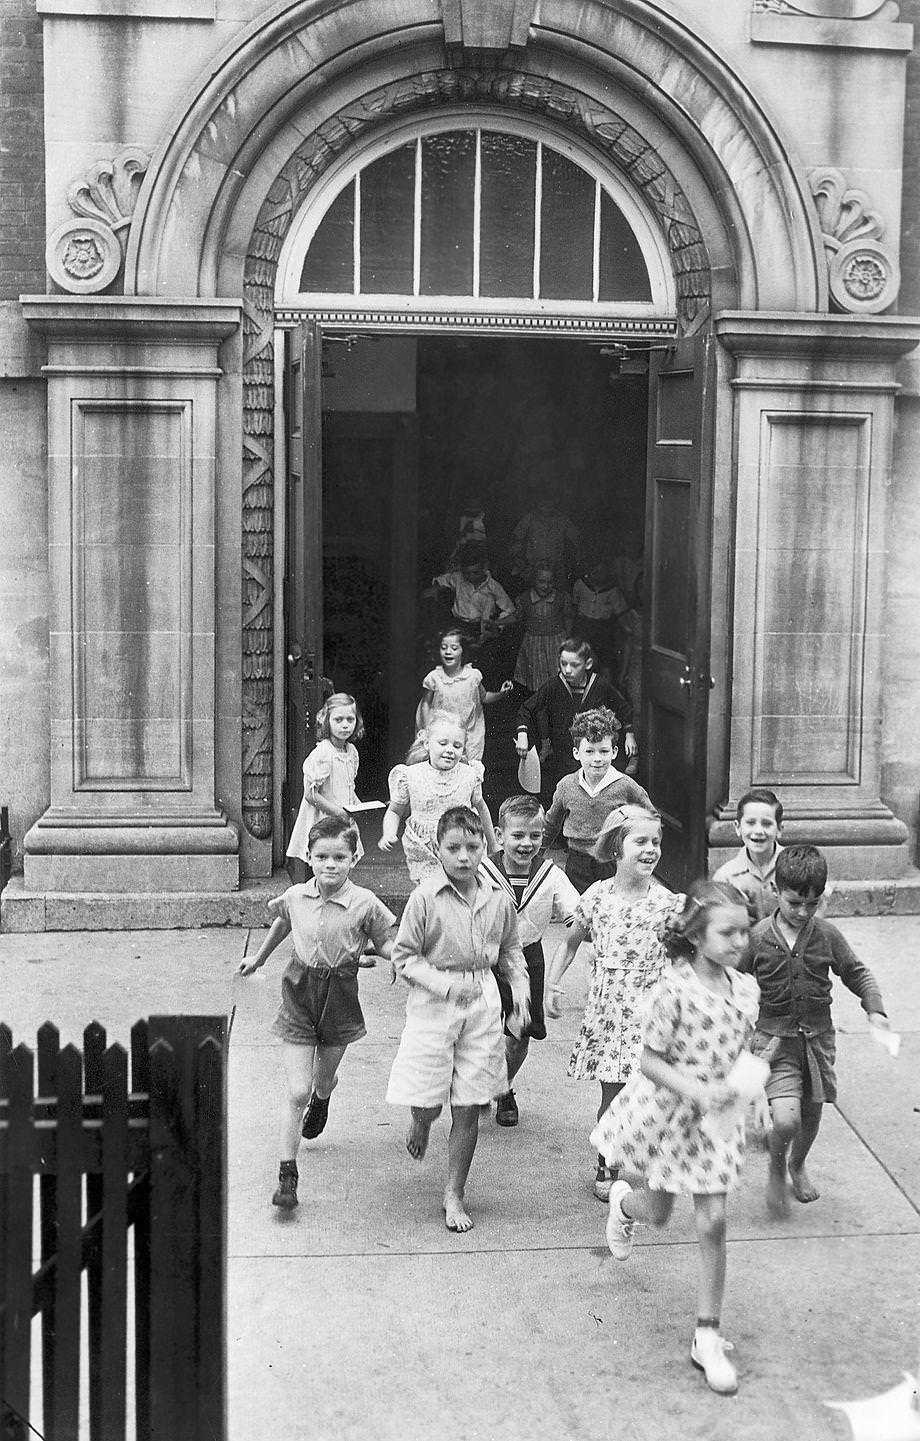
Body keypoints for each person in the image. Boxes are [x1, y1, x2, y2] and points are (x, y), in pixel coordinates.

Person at [591, 883, 760, 1397]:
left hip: (719, 1122)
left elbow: (745, 1050)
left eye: (744, 931)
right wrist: (695, 1090)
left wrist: (757, 1094)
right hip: (672, 1115)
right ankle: (623, 1204)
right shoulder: (674, 990)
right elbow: (648, 1060)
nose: (738, 941)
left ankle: (707, 1333)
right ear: (696, 934)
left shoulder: (745, 989)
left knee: (714, 1220)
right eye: (726, 932)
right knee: (659, 1212)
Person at [238, 816, 397, 1213]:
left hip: (341, 993)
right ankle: (287, 1176)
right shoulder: (295, 896)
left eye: (339, 857)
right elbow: (283, 923)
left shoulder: (366, 903)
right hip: (299, 991)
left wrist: (403, 959)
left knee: (321, 1080)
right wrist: (258, 958)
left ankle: (324, 1096)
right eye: (322, 856)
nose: (330, 864)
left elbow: (386, 941)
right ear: (309, 857)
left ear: (354, 858)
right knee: (296, 1090)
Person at [386, 806, 530, 1233]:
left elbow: (511, 951)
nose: (464, 856)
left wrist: (519, 992)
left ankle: (454, 1192)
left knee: (469, 1105)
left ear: (486, 846)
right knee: (429, 1102)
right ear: (438, 850)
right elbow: (404, 957)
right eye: (454, 848)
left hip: (482, 999)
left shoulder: (498, 898)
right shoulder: (425, 898)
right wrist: (446, 986)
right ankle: (421, 1119)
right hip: (435, 1000)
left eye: (472, 846)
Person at [738, 844, 891, 1217]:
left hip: (818, 1041)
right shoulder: (758, 937)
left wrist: (876, 1010)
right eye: (795, 903)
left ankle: (797, 1165)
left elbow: (857, 972)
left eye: (813, 903)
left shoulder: (826, 934)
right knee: (786, 1117)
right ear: (775, 889)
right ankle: (776, 1168)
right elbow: (735, 982)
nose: (804, 912)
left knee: (811, 1113)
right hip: (773, 1042)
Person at [545, 805, 682, 1200]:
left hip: (653, 1014)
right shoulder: (597, 897)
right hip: (610, 1013)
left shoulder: (668, 903)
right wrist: (553, 983)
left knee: (655, 1091)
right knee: (614, 1093)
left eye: (656, 842)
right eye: (640, 841)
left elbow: (686, 957)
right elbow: (569, 944)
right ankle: (607, 1160)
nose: (651, 849)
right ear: (615, 848)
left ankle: (653, 1154)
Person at [479, 793, 580, 1127]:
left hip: (527, 959)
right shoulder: (481, 870)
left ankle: (503, 1087)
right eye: (518, 835)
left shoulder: (550, 873)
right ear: (499, 834)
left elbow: (578, 917)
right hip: (485, 959)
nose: (527, 843)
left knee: (520, 1031)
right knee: (480, 1028)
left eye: (535, 836)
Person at [379, 712, 498, 884]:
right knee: (432, 893)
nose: (450, 750)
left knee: (463, 889)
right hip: (425, 848)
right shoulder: (410, 775)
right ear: (427, 743)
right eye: (443, 743)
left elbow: (480, 807)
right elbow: (394, 811)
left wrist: (493, 843)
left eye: (457, 746)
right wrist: (388, 833)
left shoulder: (470, 774)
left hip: (461, 843)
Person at [514, 637, 636, 803]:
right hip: (563, 757)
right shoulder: (554, 685)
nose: (567, 670)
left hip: (593, 756)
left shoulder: (600, 685)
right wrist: (522, 734)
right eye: (563, 664)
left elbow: (624, 709)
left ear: (588, 664)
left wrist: (629, 734)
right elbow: (526, 709)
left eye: (574, 665)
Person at [542, 708, 651, 893]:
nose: (597, 758)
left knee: (610, 912)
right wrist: (536, 855)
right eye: (590, 751)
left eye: (604, 751)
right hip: (577, 863)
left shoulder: (626, 786)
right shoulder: (566, 786)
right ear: (577, 753)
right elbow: (551, 824)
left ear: (614, 752)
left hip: (612, 862)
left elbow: (649, 818)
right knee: (578, 911)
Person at [286, 693, 365, 876]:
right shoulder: (323, 753)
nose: (345, 725)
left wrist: (359, 806)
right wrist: (337, 812)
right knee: (325, 861)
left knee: (342, 858)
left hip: (343, 817)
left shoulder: (351, 751)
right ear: (326, 721)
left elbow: (347, 785)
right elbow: (310, 795)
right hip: (324, 817)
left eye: (350, 719)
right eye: (338, 719)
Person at [415, 627, 513, 767]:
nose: (448, 652)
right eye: (444, 648)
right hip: (442, 732)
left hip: (469, 733)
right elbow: (425, 704)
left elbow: (484, 697)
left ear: (463, 651)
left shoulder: (473, 676)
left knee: (468, 769)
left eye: (454, 648)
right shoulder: (434, 678)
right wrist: (425, 729)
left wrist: (501, 694)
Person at [713, 788, 784, 921]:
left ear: (779, 829)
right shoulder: (726, 877)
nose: (758, 831)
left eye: (767, 824)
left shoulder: (796, 865)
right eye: (750, 823)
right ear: (738, 827)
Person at [427, 541, 516, 641]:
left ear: (484, 567)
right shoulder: (458, 578)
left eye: (475, 573)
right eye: (467, 573)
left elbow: (509, 609)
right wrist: (435, 588)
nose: (471, 577)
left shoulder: (493, 587)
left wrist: (497, 624)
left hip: (479, 627)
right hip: (458, 623)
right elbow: (445, 579)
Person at [513, 561, 575, 693]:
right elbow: (516, 617)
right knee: (537, 679)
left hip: (556, 642)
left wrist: (568, 638)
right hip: (534, 644)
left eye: (550, 582)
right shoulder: (524, 598)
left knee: (558, 678)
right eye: (541, 581)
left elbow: (568, 617)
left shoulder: (561, 598)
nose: (546, 586)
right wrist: (497, 622)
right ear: (533, 580)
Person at [508, 483, 580, 584]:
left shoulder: (562, 519)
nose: (546, 509)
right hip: (534, 564)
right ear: (537, 504)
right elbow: (517, 536)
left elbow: (575, 538)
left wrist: (578, 554)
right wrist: (517, 557)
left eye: (549, 506)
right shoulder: (530, 518)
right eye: (543, 505)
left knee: (558, 589)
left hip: (556, 565)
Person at [572, 557, 628, 675]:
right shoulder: (580, 585)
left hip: (603, 630)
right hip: (583, 628)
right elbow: (574, 606)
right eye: (594, 572)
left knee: (606, 662)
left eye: (601, 572)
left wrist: (627, 629)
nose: (597, 576)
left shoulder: (613, 591)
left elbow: (621, 613)